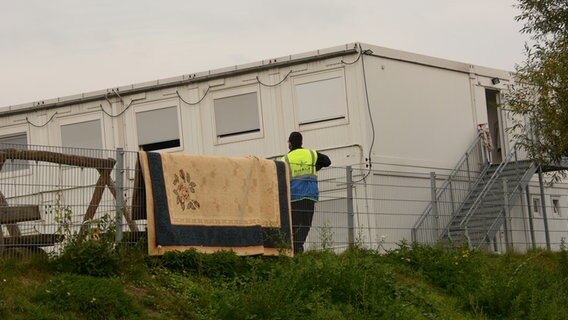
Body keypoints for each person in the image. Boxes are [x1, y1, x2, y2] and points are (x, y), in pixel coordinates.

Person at [282, 131, 331, 253]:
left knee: (294, 227)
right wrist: (314, 168)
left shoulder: (285, 159)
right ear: (301, 142)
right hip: (309, 196)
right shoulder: (311, 154)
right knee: (305, 225)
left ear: (290, 144)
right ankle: (298, 248)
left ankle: (295, 250)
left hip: (294, 198)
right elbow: (327, 161)